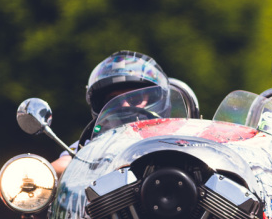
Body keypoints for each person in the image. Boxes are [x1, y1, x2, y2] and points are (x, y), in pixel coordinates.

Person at [53, 50, 193, 175]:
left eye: (135, 98)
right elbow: (64, 164)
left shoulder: (178, 137)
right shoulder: (93, 144)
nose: (124, 105)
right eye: (112, 100)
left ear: (156, 99)